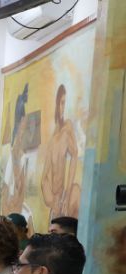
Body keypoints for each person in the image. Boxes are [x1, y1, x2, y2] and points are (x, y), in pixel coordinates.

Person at [41, 84, 80, 219]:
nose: (62, 107)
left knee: (76, 192)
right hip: (55, 201)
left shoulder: (67, 128)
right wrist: (52, 201)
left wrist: (68, 194)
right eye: (60, 103)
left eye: (64, 103)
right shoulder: (52, 140)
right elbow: (43, 179)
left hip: (64, 196)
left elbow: (75, 154)